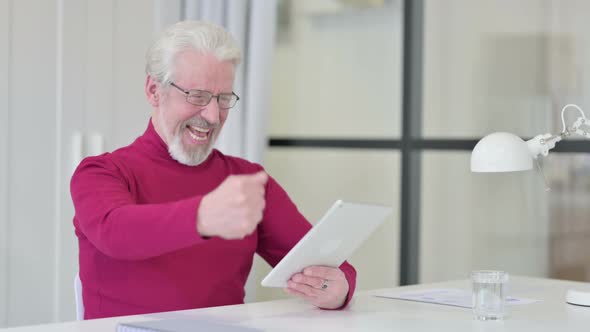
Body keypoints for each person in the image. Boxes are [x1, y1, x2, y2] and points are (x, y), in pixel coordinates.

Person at [70, 20, 356, 319]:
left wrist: (339, 288)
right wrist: (203, 217)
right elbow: (115, 232)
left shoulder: (246, 180)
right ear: (154, 91)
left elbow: (324, 263)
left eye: (223, 99)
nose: (212, 115)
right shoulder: (102, 172)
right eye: (197, 96)